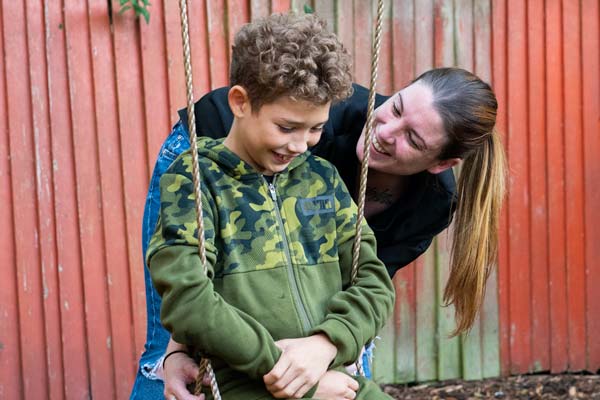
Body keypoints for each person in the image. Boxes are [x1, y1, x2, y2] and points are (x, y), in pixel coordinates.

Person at [130, 42, 506, 400]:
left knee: (342, 366)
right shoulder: (311, 134)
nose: (385, 132)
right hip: (214, 140)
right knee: (166, 360)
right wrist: (178, 350)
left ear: (440, 164)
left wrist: (325, 347)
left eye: (413, 138)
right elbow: (192, 292)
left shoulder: (429, 202)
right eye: (395, 108)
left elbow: (364, 285)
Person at [144, 12, 396, 400]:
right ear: (240, 102)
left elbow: (374, 283)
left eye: (315, 129)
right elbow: (187, 299)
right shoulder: (195, 180)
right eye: (287, 127)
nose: (301, 145)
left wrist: (326, 345)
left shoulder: (321, 179)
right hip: (243, 384)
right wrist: (295, 376)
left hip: (331, 376)